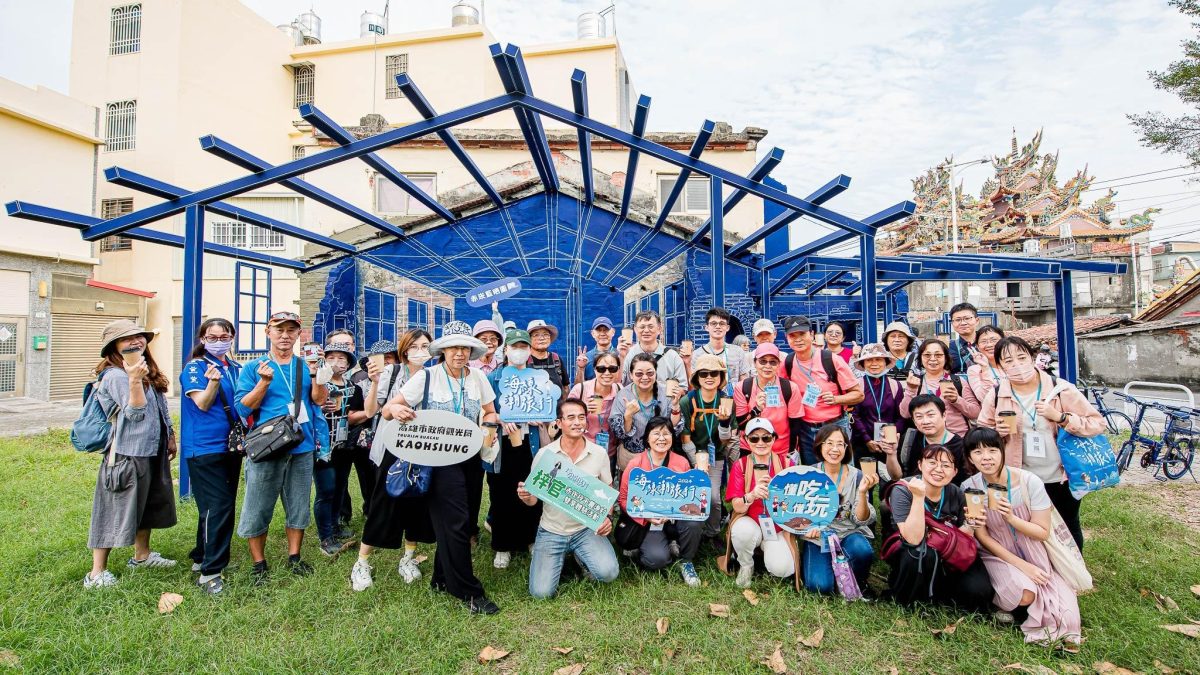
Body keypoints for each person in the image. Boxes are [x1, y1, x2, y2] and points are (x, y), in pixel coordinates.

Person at [383, 321, 503, 614]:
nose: (459, 353)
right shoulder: (426, 377)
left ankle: (441, 577)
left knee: (463, 519)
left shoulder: (477, 377)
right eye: (453, 348)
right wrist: (397, 409)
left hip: (471, 458)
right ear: (443, 351)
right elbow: (388, 410)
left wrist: (489, 425)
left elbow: (490, 410)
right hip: (437, 460)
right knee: (456, 521)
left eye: (464, 348)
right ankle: (468, 591)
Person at [977, 336, 1105, 551]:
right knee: (1030, 527)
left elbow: (1096, 423)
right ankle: (1043, 567)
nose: (1017, 365)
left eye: (1021, 357)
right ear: (999, 366)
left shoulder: (1060, 389)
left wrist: (1061, 418)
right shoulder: (998, 394)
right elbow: (981, 431)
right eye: (1008, 361)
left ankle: (1074, 568)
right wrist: (996, 433)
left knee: (1067, 526)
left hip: (1061, 476)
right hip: (1021, 478)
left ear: (1032, 357)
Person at [963, 428, 1083, 650]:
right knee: (1026, 594)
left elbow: (1042, 531)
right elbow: (983, 537)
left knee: (1068, 617)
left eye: (992, 450)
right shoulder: (971, 488)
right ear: (970, 458)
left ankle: (1019, 609)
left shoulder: (1029, 481)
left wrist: (1011, 518)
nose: (986, 457)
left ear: (1002, 451)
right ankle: (1003, 605)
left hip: (1033, 549)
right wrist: (1023, 566)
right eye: (977, 452)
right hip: (997, 552)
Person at [234, 311, 328, 585]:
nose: (285, 335)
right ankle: (258, 564)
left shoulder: (305, 365)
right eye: (279, 330)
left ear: (298, 334)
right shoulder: (254, 367)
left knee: (299, 504)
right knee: (257, 505)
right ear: (268, 332)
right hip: (267, 446)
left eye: (291, 330)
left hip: (301, 444)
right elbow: (243, 408)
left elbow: (318, 400)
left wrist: (318, 375)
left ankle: (294, 557)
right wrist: (263, 383)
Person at [83, 320, 178, 589]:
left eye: (139, 336)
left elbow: (160, 407)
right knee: (113, 509)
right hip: (126, 453)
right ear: (114, 347)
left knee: (146, 505)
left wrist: (170, 435)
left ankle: (142, 556)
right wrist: (134, 379)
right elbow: (135, 414)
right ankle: (96, 572)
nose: (135, 342)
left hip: (151, 449)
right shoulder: (115, 376)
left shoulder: (146, 368)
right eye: (126, 339)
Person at [351, 329, 436, 591]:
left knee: (418, 503)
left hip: (423, 447)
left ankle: (408, 558)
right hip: (392, 447)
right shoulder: (392, 372)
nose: (420, 351)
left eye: (425, 346)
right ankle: (362, 562)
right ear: (404, 350)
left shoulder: (434, 375)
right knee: (383, 502)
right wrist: (375, 382)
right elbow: (370, 412)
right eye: (414, 346)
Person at [520, 398, 620, 599]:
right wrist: (526, 496)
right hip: (551, 530)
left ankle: (579, 557)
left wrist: (607, 518)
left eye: (581, 417)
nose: (577, 422)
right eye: (571, 417)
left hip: (586, 529)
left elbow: (606, 491)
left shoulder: (598, 453)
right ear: (559, 422)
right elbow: (533, 501)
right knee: (541, 593)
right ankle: (562, 560)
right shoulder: (545, 455)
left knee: (608, 573)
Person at [883, 444, 994, 613]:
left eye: (946, 465)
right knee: (923, 553)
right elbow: (912, 538)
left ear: (954, 472)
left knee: (979, 591)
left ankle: (939, 591)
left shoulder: (955, 493)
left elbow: (960, 539)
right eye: (932, 463)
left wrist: (971, 525)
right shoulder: (903, 490)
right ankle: (911, 593)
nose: (939, 469)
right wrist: (918, 498)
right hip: (911, 551)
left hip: (946, 551)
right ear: (920, 465)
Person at [179, 318, 241, 595]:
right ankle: (211, 572)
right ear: (202, 339)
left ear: (232, 338)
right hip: (204, 447)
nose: (219, 342)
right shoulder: (196, 367)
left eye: (224, 337)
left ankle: (201, 556)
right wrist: (213, 383)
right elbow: (202, 403)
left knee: (217, 506)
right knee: (218, 507)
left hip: (233, 446)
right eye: (212, 338)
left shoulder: (235, 368)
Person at [618, 417, 703, 586]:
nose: (662, 438)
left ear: (672, 437)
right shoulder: (636, 464)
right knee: (656, 559)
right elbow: (623, 499)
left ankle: (686, 560)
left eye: (666, 434)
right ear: (647, 438)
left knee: (694, 521)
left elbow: (690, 498)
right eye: (656, 433)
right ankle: (650, 547)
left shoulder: (681, 462)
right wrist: (645, 517)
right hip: (649, 522)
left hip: (675, 518)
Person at [486, 330, 545, 570]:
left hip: (530, 443)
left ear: (530, 350)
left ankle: (531, 539)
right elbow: (485, 411)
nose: (519, 351)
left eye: (523, 346)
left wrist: (539, 417)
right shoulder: (493, 378)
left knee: (532, 490)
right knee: (501, 493)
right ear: (506, 350)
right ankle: (502, 545)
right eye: (514, 346)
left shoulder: (538, 377)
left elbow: (547, 407)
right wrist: (501, 418)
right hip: (502, 446)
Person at [801, 424, 877, 595]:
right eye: (829, 443)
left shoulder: (857, 476)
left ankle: (859, 580)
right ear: (820, 445)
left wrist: (862, 493)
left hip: (849, 532)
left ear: (846, 447)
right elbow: (798, 512)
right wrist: (806, 529)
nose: (835, 449)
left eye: (840, 444)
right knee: (820, 587)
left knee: (861, 551)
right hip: (819, 538)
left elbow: (861, 519)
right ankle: (837, 574)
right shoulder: (808, 475)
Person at [723, 418, 799, 588]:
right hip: (750, 521)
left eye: (766, 437)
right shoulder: (741, 465)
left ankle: (769, 552)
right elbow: (737, 506)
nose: (760, 443)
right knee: (742, 531)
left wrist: (778, 493)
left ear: (774, 438)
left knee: (783, 569)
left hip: (778, 527)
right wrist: (751, 496)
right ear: (746, 440)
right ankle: (746, 565)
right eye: (754, 438)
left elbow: (796, 504)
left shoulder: (787, 464)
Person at [313, 341, 373, 556]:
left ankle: (335, 526)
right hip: (322, 445)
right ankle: (326, 536)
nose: (336, 362)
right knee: (326, 490)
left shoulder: (354, 388)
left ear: (348, 364)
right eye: (330, 358)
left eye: (341, 358)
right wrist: (321, 407)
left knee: (340, 486)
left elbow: (356, 414)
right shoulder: (318, 385)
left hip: (345, 445)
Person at [780, 316, 863, 464]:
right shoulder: (788, 362)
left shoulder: (831, 359)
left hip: (835, 425)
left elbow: (859, 395)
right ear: (787, 338)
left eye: (802, 334)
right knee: (813, 472)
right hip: (805, 429)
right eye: (792, 336)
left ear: (812, 335)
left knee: (841, 469)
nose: (798, 340)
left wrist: (836, 399)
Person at [679, 353, 737, 544]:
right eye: (704, 373)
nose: (709, 377)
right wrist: (697, 462)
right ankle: (686, 530)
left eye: (714, 373)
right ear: (697, 377)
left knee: (713, 498)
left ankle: (713, 531)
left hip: (716, 455)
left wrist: (724, 423)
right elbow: (685, 437)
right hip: (691, 455)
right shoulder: (688, 401)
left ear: (721, 377)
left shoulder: (726, 402)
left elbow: (726, 440)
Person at [610, 352, 683, 470]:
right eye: (639, 374)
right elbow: (620, 434)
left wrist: (675, 406)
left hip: (661, 456)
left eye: (650, 373)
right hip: (632, 457)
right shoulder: (623, 395)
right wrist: (628, 415)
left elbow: (675, 429)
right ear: (631, 375)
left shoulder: (666, 393)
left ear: (656, 373)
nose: (645, 378)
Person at [733, 343, 804, 459]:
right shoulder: (743, 387)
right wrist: (756, 410)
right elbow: (740, 425)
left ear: (778, 364)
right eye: (763, 361)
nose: (767, 366)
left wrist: (791, 452)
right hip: (751, 449)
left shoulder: (790, 388)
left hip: (781, 450)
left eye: (773, 362)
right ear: (755, 363)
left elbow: (795, 425)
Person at [899, 338, 981, 437]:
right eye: (927, 355)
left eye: (938, 355)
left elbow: (975, 413)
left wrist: (957, 400)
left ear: (946, 358)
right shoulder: (915, 382)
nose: (933, 359)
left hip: (958, 439)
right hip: (926, 439)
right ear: (920, 358)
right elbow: (905, 414)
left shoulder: (958, 381)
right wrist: (911, 390)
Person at [887, 394, 968, 487]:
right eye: (919, 416)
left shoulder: (960, 446)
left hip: (946, 495)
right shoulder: (909, 439)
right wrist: (891, 454)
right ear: (913, 420)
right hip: (913, 492)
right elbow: (896, 477)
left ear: (944, 415)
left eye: (931, 415)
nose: (926, 421)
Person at [850, 343, 906, 474]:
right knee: (865, 479)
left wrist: (892, 436)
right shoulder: (857, 385)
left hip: (890, 443)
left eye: (878, 359)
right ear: (863, 363)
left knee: (890, 480)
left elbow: (901, 415)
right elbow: (854, 416)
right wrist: (867, 440)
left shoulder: (895, 385)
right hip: (863, 443)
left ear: (886, 362)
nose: (874, 363)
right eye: (869, 360)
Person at [567, 350, 621, 472]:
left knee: (606, 484)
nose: (607, 373)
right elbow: (566, 417)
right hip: (581, 453)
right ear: (595, 370)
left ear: (618, 370)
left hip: (608, 453)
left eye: (612, 369)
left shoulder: (620, 391)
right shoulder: (580, 389)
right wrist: (582, 410)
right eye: (601, 369)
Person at [621, 310, 688, 395]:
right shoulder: (627, 354)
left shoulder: (672, 356)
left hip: (665, 402)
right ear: (635, 329)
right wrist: (621, 357)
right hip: (635, 402)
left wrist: (673, 392)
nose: (646, 330)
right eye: (642, 327)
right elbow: (620, 384)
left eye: (650, 326)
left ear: (659, 329)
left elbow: (683, 388)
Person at [691, 307, 752, 397]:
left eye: (722, 323)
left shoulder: (738, 352)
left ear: (727, 327)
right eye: (713, 323)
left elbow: (744, 380)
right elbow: (694, 384)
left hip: (733, 400)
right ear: (706, 327)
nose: (718, 326)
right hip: (707, 401)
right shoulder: (697, 354)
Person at [526, 319, 570, 398]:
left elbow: (565, 387)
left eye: (545, 334)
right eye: (536, 335)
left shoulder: (556, 359)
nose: (542, 338)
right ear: (529, 339)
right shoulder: (524, 361)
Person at [574, 316, 624, 383]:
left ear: (613, 332)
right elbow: (578, 387)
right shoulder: (586, 358)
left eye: (606, 330)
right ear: (592, 333)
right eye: (599, 330)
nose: (602, 334)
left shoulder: (621, 355)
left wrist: (622, 357)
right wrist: (581, 369)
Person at [965, 325, 1006, 402]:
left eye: (994, 340)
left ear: (1003, 341)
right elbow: (983, 398)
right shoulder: (974, 370)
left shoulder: (1012, 364)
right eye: (984, 341)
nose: (989, 345)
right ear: (977, 346)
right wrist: (985, 369)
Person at [947, 302, 981, 376]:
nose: (963, 323)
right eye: (958, 320)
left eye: (967, 318)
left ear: (977, 320)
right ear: (952, 323)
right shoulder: (949, 347)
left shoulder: (989, 345)